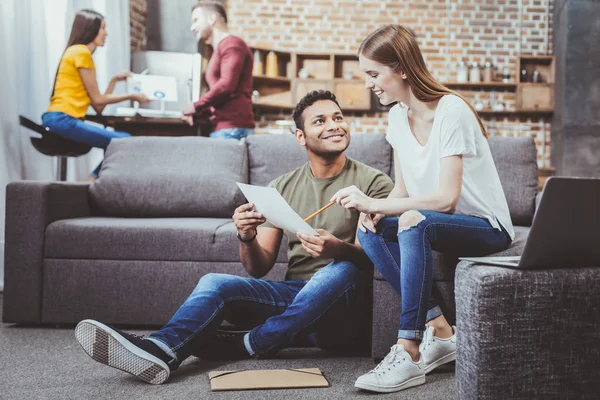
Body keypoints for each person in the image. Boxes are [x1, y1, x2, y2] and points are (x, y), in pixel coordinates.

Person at [73, 90, 394, 384]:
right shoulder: (280, 188)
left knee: (340, 270)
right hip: (294, 295)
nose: (334, 126)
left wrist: (338, 249)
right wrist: (246, 235)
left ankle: (256, 341)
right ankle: (161, 350)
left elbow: (381, 257)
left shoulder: (374, 183)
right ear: (300, 136)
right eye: (320, 121)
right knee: (215, 283)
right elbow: (258, 267)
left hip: (347, 302)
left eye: (338, 117)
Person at [330, 25, 515, 393]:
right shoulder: (397, 117)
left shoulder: (452, 111)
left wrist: (376, 201)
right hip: (435, 222)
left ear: (400, 68)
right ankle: (442, 330)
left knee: (413, 222)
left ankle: (409, 350)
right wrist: (377, 211)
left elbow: (446, 198)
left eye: (373, 74)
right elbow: (403, 189)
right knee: (369, 229)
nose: (368, 84)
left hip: (485, 227)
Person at [42, 9, 150, 180]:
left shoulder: (76, 52)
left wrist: (113, 81)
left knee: (123, 142)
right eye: (102, 28)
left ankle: (90, 181)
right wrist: (132, 96)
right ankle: (89, 182)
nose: (106, 33)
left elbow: (98, 106)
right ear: (90, 29)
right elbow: (99, 99)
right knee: (126, 142)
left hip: (59, 119)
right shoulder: (81, 52)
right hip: (63, 119)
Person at [181, 1, 255, 140]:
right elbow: (221, 96)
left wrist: (195, 106)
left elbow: (226, 86)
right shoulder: (220, 48)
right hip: (226, 127)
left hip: (232, 128)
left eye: (196, 20)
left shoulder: (232, 44)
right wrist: (199, 112)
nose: (192, 27)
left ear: (212, 19)